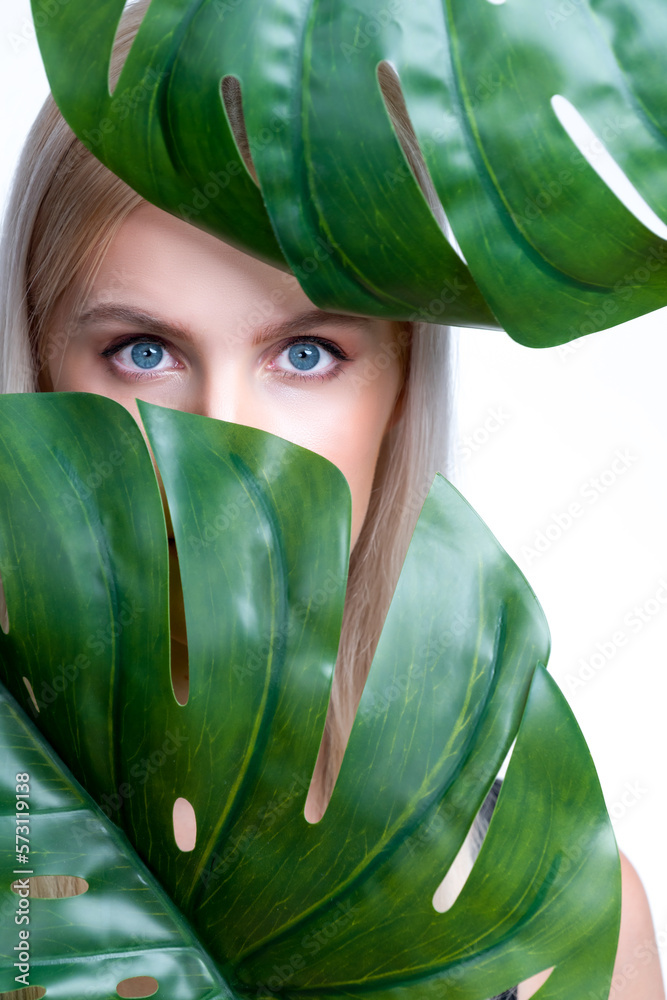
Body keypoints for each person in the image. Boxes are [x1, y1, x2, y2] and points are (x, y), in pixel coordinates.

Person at [0, 3, 663, 999]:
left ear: (399, 393)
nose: (222, 433)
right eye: (144, 352)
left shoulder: (544, 928)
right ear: (44, 367)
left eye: (304, 355)